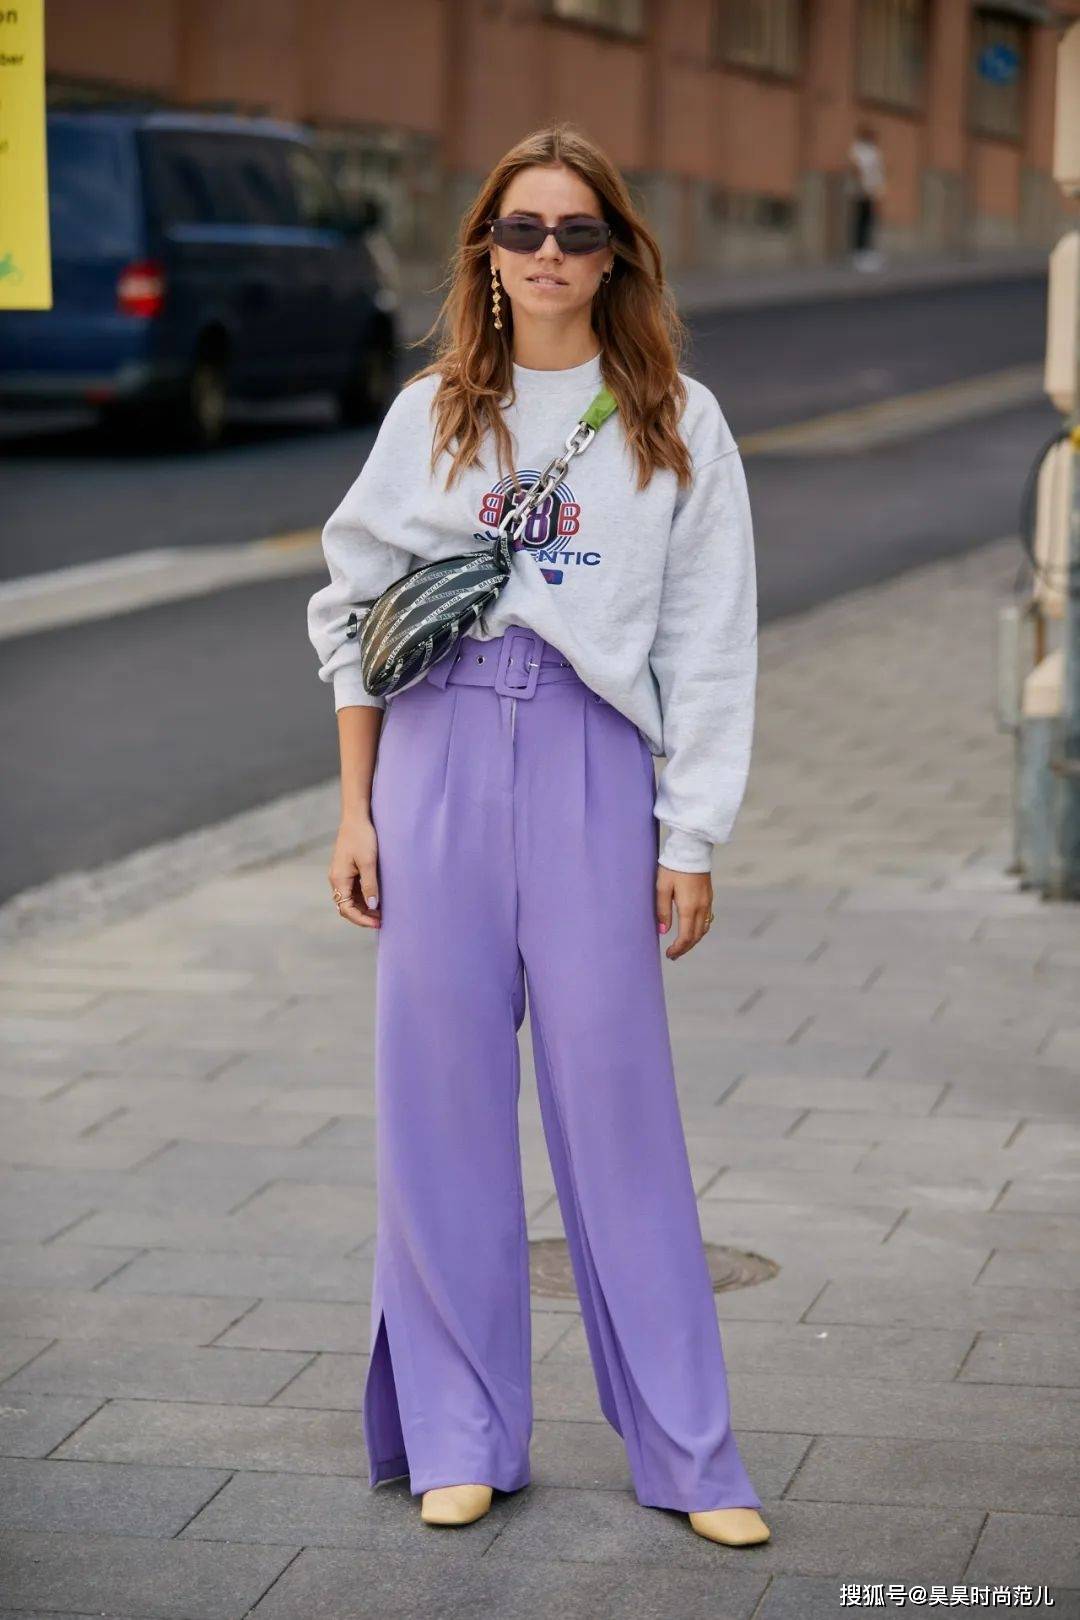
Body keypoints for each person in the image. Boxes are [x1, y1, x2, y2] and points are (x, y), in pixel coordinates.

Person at [306, 121, 770, 1550]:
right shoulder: (432, 413)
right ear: (488, 255)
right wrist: (355, 810)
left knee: (619, 1111)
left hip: (590, 761)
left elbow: (711, 642)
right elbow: (351, 612)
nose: (550, 253)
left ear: (617, 253)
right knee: (438, 1108)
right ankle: (460, 1435)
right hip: (433, 756)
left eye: (579, 231)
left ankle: (692, 1453)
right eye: (524, 230)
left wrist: (691, 836)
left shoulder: (676, 420)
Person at [847, 123, 887, 271]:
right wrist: (863, 187)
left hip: (873, 191)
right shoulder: (858, 149)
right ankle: (859, 254)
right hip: (862, 192)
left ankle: (868, 252)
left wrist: (879, 190)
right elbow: (856, 169)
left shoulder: (874, 150)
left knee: (870, 221)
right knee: (861, 221)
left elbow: (878, 172)